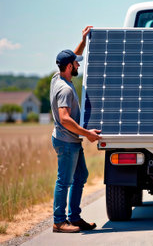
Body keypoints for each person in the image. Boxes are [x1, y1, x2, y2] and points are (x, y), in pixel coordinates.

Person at [50, 26, 102, 233]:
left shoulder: (58, 77)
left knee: (80, 177)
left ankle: (75, 217)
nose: (78, 64)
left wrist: (82, 41)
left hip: (71, 141)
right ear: (69, 66)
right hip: (66, 141)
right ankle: (59, 221)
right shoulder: (64, 89)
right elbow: (64, 119)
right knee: (64, 180)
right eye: (75, 63)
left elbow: (74, 55)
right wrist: (87, 133)